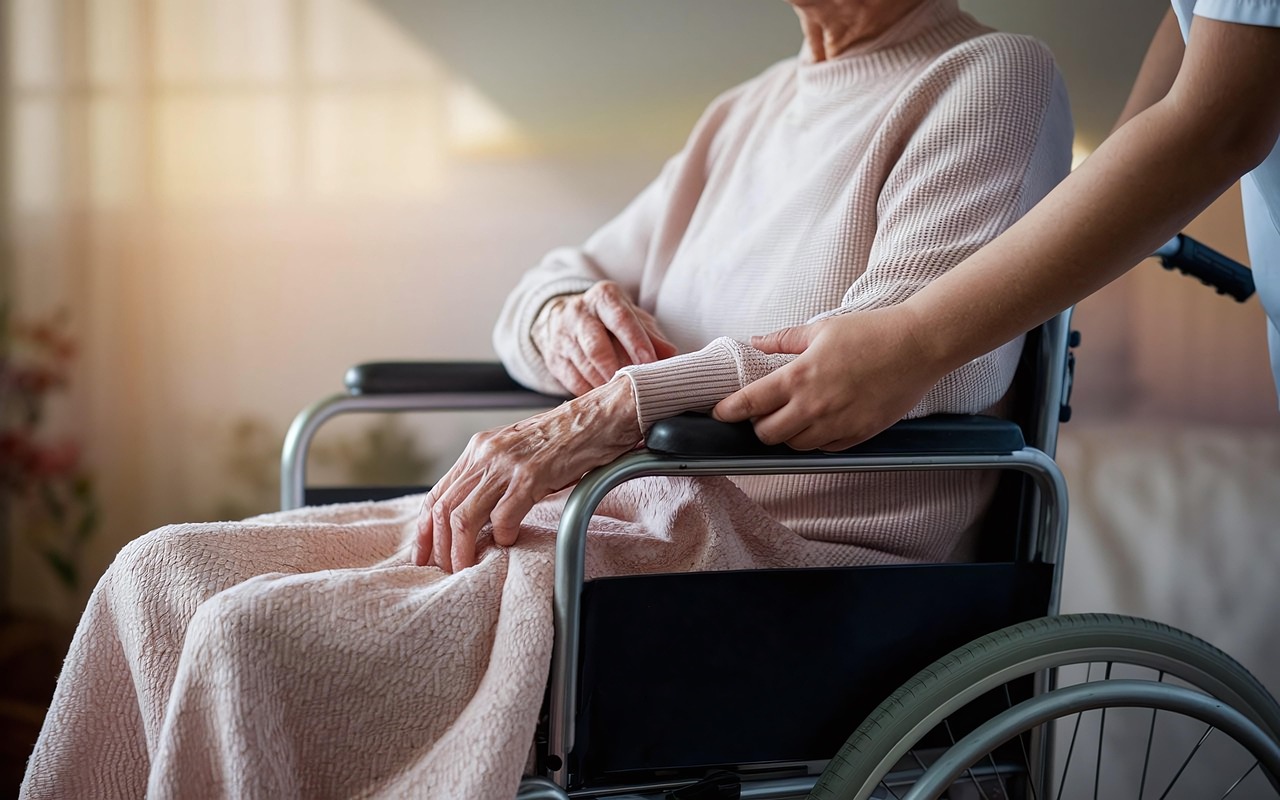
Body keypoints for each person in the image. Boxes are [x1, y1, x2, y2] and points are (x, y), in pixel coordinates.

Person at [22, 1, 1072, 797]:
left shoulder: (986, 80)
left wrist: (602, 412)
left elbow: (923, 363)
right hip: (613, 518)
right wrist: (565, 314)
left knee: (248, 642)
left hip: (771, 558)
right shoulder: (744, 114)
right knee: (155, 575)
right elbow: (543, 277)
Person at [712, 2, 1280, 451]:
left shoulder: (993, 75)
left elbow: (1221, 125)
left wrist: (918, 337)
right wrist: (1098, 191)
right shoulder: (743, 110)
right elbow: (1196, 19)